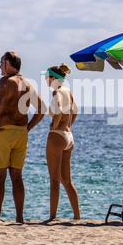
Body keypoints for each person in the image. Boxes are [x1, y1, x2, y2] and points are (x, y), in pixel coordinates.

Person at [0, 51, 45, 223]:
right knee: (17, 176)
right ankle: (19, 217)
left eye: (1, 62)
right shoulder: (28, 84)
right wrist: (27, 128)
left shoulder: (6, 81)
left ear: (7, 62)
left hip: (4, 132)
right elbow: (42, 110)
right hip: (21, 132)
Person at [42, 63, 80, 221]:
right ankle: (77, 216)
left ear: (53, 78)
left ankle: (52, 217)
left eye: (46, 78)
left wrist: (55, 124)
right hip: (69, 136)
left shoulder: (57, 92)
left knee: (54, 180)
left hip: (57, 135)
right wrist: (68, 125)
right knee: (67, 180)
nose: (46, 80)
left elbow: (57, 107)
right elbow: (76, 111)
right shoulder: (69, 92)